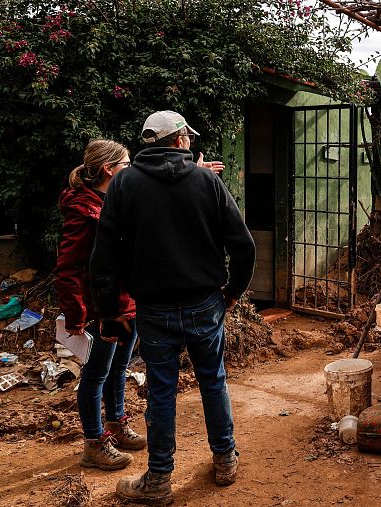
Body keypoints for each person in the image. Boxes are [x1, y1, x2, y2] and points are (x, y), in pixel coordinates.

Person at [90, 111, 255, 505]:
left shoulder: (124, 183)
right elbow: (244, 246)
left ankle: (159, 479)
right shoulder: (206, 181)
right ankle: (225, 460)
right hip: (205, 303)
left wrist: (109, 310)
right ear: (180, 141)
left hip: (153, 308)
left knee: (161, 391)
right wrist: (232, 292)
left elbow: (104, 257)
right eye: (188, 138)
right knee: (213, 380)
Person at [54, 139, 147, 471]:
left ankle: (116, 423)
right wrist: (77, 315)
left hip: (127, 303)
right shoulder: (83, 210)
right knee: (95, 375)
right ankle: (94, 442)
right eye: (126, 164)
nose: (132, 170)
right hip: (101, 309)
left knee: (119, 368)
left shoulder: (117, 201)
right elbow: (67, 269)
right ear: (109, 169)